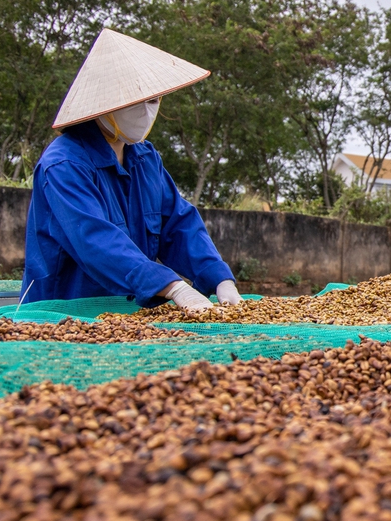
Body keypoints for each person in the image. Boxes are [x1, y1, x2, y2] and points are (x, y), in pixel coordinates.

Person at [20, 28, 241, 314]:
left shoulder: (145, 158)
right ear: (104, 105)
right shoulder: (64, 165)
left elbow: (178, 224)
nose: (146, 111)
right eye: (134, 101)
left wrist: (218, 277)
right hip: (66, 314)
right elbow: (95, 239)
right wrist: (172, 286)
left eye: (153, 100)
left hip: (131, 315)